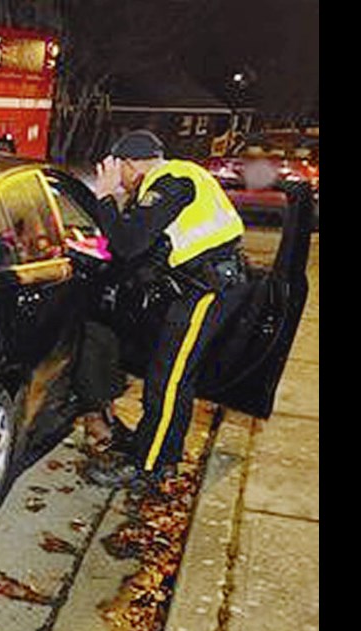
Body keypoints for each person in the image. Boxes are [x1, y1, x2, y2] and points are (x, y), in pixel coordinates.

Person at [85, 129, 248, 486]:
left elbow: (128, 243)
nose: (121, 180)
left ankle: (148, 466)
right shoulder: (182, 177)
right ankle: (162, 452)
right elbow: (149, 252)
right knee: (174, 379)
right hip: (207, 286)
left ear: (129, 164)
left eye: (118, 171)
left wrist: (106, 197)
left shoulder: (170, 182)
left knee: (166, 382)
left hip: (207, 290)